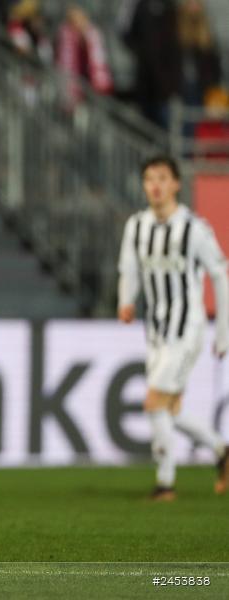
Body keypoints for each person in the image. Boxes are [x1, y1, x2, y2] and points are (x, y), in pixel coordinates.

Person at [117, 155, 229, 501]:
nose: (155, 185)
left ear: (176, 184)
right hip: (156, 331)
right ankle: (221, 450)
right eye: (149, 178)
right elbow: (129, 269)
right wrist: (126, 300)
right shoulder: (136, 226)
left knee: (154, 403)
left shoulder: (194, 228)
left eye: (163, 178)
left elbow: (219, 273)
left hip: (187, 329)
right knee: (171, 409)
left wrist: (223, 331)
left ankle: (165, 482)